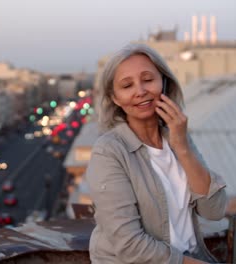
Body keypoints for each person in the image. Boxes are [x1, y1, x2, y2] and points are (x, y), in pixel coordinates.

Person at [86, 43, 227, 264]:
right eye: (127, 85)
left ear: (163, 82)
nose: (140, 91)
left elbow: (214, 210)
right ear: (115, 98)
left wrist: (182, 147)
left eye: (148, 80)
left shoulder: (177, 138)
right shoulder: (109, 151)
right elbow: (130, 245)